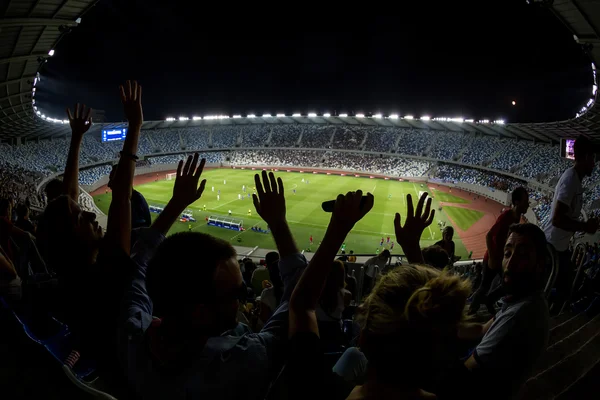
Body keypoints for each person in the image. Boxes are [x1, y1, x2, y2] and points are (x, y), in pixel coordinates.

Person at [123, 171, 307, 399]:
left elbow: (140, 263)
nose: (241, 299)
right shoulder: (243, 361)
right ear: (200, 312)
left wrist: (176, 203)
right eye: (236, 293)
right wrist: (278, 223)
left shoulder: (134, 332)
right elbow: (300, 298)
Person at [285, 191, 472, 400]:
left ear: (363, 338)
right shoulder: (456, 387)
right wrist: (411, 247)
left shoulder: (318, 388)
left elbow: (302, 306)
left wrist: (338, 227)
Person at [36, 82, 145, 385]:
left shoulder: (66, 278)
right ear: (73, 239)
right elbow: (122, 195)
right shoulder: (107, 276)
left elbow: (69, 201)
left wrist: (75, 140)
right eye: (80, 218)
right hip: (126, 379)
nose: (86, 212)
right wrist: (135, 126)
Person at [439, 223, 550, 400]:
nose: (510, 263)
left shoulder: (518, 316)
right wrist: (442, 327)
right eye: (507, 253)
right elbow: (481, 330)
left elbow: (462, 374)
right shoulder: (524, 299)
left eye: (522, 255)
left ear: (540, 264)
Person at [544, 136, 598, 311]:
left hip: (560, 247)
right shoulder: (570, 180)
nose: (595, 163)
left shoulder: (575, 180)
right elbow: (557, 219)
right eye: (593, 158)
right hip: (552, 248)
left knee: (564, 290)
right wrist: (585, 227)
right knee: (553, 291)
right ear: (585, 157)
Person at [470, 186, 530, 314]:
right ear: (517, 202)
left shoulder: (516, 218)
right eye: (526, 201)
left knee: (507, 282)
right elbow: (489, 235)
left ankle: (489, 301)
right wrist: (492, 258)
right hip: (493, 259)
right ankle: (472, 311)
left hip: (501, 260)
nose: (528, 204)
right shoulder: (506, 217)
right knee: (484, 287)